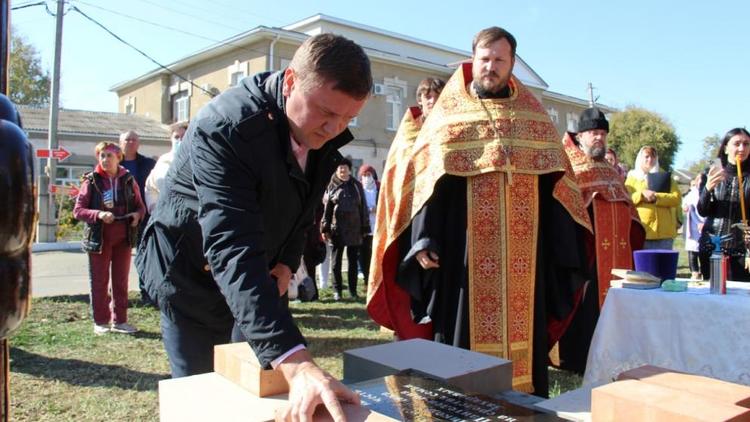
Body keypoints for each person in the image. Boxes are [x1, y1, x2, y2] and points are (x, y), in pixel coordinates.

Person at [136, 33, 371, 420]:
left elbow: (302, 205)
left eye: (348, 118)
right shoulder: (227, 127)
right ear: (292, 81)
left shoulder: (316, 128)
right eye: (327, 113)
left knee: (262, 397)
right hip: (191, 278)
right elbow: (230, 245)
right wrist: (298, 364)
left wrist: (287, 261)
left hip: (261, 276)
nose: (334, 128)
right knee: (203, 400)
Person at [367, 27, 592, 395]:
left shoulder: (534, 118)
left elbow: (558, 186)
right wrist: (423, 238)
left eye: (499, 60)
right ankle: (461, 404)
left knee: (525, 347)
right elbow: (427, 182)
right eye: (484, 59)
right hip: (463, 254)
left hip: (525, 258)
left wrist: (561, 244)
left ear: (512, 63)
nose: (490, 67)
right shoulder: (448, 116)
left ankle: (524, 407)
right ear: (473, 60)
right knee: (460, 345)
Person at [557, 108, 645, 374]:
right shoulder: (568, 163)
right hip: (582, 254)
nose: (599, 139)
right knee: (581, 309)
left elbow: (630, 209)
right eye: (594, 133)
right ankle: (576, 362)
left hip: (613, 257)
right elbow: (562, 204)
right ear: (580, 135)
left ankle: (610, 356)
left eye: (603, 134)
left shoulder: (609, 170)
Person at [74, 142, 146, 335]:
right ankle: (101, 321)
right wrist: (98, 214)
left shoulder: (129, 180)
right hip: (100, 237)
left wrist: (137, 216)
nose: (105, 160)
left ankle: (120, 321)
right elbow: (78, 211)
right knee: (99, 280)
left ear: (118, 157)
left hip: (123, 236)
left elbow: (140, 207)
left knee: (121, 281)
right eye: (102, 156)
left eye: (109, 156)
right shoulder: (91, 181)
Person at [697, 128, 750, 281]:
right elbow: (702, 210)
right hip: (712, 245)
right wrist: (707, 189)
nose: (742, 148)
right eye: (737, 143)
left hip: (743, 249)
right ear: (726, 148)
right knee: (713, 295)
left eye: (746, 144)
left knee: (742, 298)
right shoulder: (711, 172)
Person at [321, 159, 370, 300]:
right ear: (337, 171)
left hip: (355, 229)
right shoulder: (332, 186)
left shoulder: (357, 186)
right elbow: (327, 210)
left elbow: (363, 208)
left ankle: (353, 291)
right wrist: (325, 228)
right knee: (336, 262)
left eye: (345, 169)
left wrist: (365, 226)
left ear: (349, 170)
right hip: (337, 229)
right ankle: (337, 291)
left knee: (353, 261)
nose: (342, 172)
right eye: (340, 169)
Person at [119, 130, 156, 304]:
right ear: (120, 143)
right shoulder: (111, 162)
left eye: (134, 139)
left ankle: (146, 293)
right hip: (118, 217)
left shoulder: (148, 164)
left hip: (144, 216)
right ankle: (118, 296)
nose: (131, 142)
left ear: (139, 143)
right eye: (127, 139)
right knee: (118, 258)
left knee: (144, 256)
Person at [625, 146, 681, 249]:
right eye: (646, 156)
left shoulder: (665, 176)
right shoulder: (632, 178)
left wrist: (656, 197)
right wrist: (641, 195)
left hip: (665, 233)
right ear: (640, 158)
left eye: (653, 156)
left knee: (664, 264)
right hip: (643, 231)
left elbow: (676, 198)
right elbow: (627, 199)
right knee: (644, 264)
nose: (650, 159)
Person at [144, 121, 188, 213]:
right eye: (176, 137)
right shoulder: (162, 161)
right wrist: (154, 208)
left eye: (184, 137)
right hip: (166, 216)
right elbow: (150, 187)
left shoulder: (197, 160)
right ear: (171, 139)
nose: (180, 140)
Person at [357, 164, 380, 289]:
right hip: (364, 227)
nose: (367, 177)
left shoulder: (379, 188)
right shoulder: (359, 189)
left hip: (377, 226)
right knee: (364, 254)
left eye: (369, 175)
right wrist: (367, 210)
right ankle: (367, 279)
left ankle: (375, 279)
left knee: (375, 254)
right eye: (364, 175)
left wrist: (378, 208)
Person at [683, 173, 707, 280]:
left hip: (706, 225)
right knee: (692, 249)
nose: (700, 182)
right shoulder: (692, 193)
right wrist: (685, 206)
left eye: (702, 180)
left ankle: (704, 271)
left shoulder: (708, 192)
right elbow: (685, 204)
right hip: (693, 225)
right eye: (698, 180)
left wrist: (704, 223)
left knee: (704, 249)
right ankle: (694, 272)